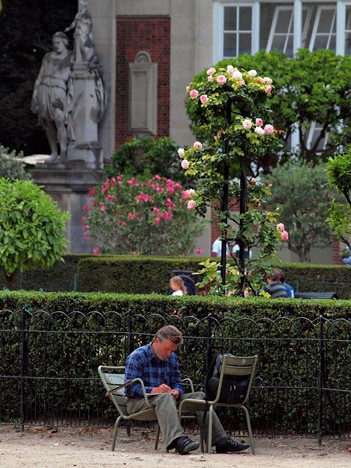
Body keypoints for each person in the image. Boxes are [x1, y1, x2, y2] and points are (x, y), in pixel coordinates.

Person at [124, 325, 250, 455]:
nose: (169, 354)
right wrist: (154, 390)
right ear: (157, 341)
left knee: (200, 396)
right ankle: (179, 441)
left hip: (166, 401)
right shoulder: (137, 356)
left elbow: (177, 383)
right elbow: (130, 388)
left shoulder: (171, 358)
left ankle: (221, 441)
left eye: (172, 350)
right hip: (138, 402)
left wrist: (177, 391)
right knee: (165, 397)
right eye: (167, 349)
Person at [31, 32, 71, 163]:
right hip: (44, 89)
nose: (55, 46)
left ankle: (63, 152)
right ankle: (54, 153)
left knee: (59, 118)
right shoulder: (47, 57)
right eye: (54, 43)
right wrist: (35, 95)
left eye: (58, 43)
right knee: (48, 123)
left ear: (65, 42)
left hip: (59, 90)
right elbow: (39, 77)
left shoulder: (71, 56)